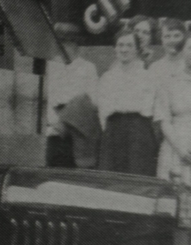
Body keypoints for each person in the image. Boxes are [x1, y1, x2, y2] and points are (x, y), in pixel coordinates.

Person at [97, 29, 157, 175]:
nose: (124, 49)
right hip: (113, 131)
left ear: (137, 49)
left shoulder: (147, 76)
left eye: (129, 45)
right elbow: (103, 109)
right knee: (111, 177)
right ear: (115, 49)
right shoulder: (107, 78)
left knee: (137, 174)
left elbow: (147, 107)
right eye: (120, 45)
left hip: (138, 131)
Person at [45, 22, 99, 168]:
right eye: (60, 43)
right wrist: (55, 123)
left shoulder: (88, 68)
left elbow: (92, 100)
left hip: (78, 130)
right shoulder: (51, 67)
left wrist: (70, 122)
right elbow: (46, 99)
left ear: (76, 44)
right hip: (55, 131)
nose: (63, 47)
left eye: (67, 43)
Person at [155, 35, 191, 184]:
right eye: (190, 48)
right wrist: (181, 150)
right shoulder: (169, 81)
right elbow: (164, 121)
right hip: (175, 145)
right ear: (182, 51)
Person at [150, 18, 187, 90]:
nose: (172, 40)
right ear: (161, 39)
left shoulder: (189, 65)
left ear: (184, 38)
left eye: (176, 36)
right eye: (167, 36)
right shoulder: (155, 68)